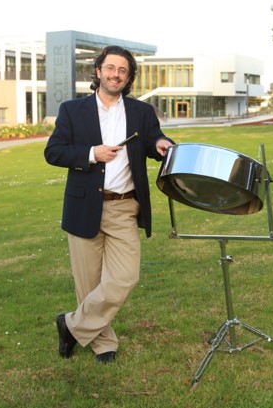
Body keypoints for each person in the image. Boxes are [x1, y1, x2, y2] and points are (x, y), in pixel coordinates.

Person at [44, 45, 174, 364]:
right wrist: (91, 154)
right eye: (111, 68)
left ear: (128, 78)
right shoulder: (72, 110)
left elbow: (153, 139)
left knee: (124, 278)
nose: (116, 74)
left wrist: (161, 144)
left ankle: (71, 325)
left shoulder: (141, 112)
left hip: (124, 208)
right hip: (84, 205)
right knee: (89, 283)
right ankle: (103, 343)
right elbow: (54, 152)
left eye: (123, 71)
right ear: (98, 70)